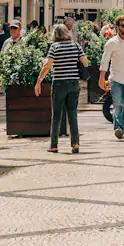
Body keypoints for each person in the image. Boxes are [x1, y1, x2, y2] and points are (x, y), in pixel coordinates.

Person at [35, 23, 89, 154]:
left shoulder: (54, 47)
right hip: (73, 83)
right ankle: (75, 144)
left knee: (56, 115)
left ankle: (53, 145)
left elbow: (47, 66)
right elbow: (86, 63)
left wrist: (39, 81)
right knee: (72, 114)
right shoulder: (75, 45)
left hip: (59, 83)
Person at [99, 13, 124, 140]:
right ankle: (119, 128)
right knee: (118, 105)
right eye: (123, 25)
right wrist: (101, 77)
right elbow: (105, 61)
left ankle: (123, 129)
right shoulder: (111, 43)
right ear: (117, 27)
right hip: (116, 79)